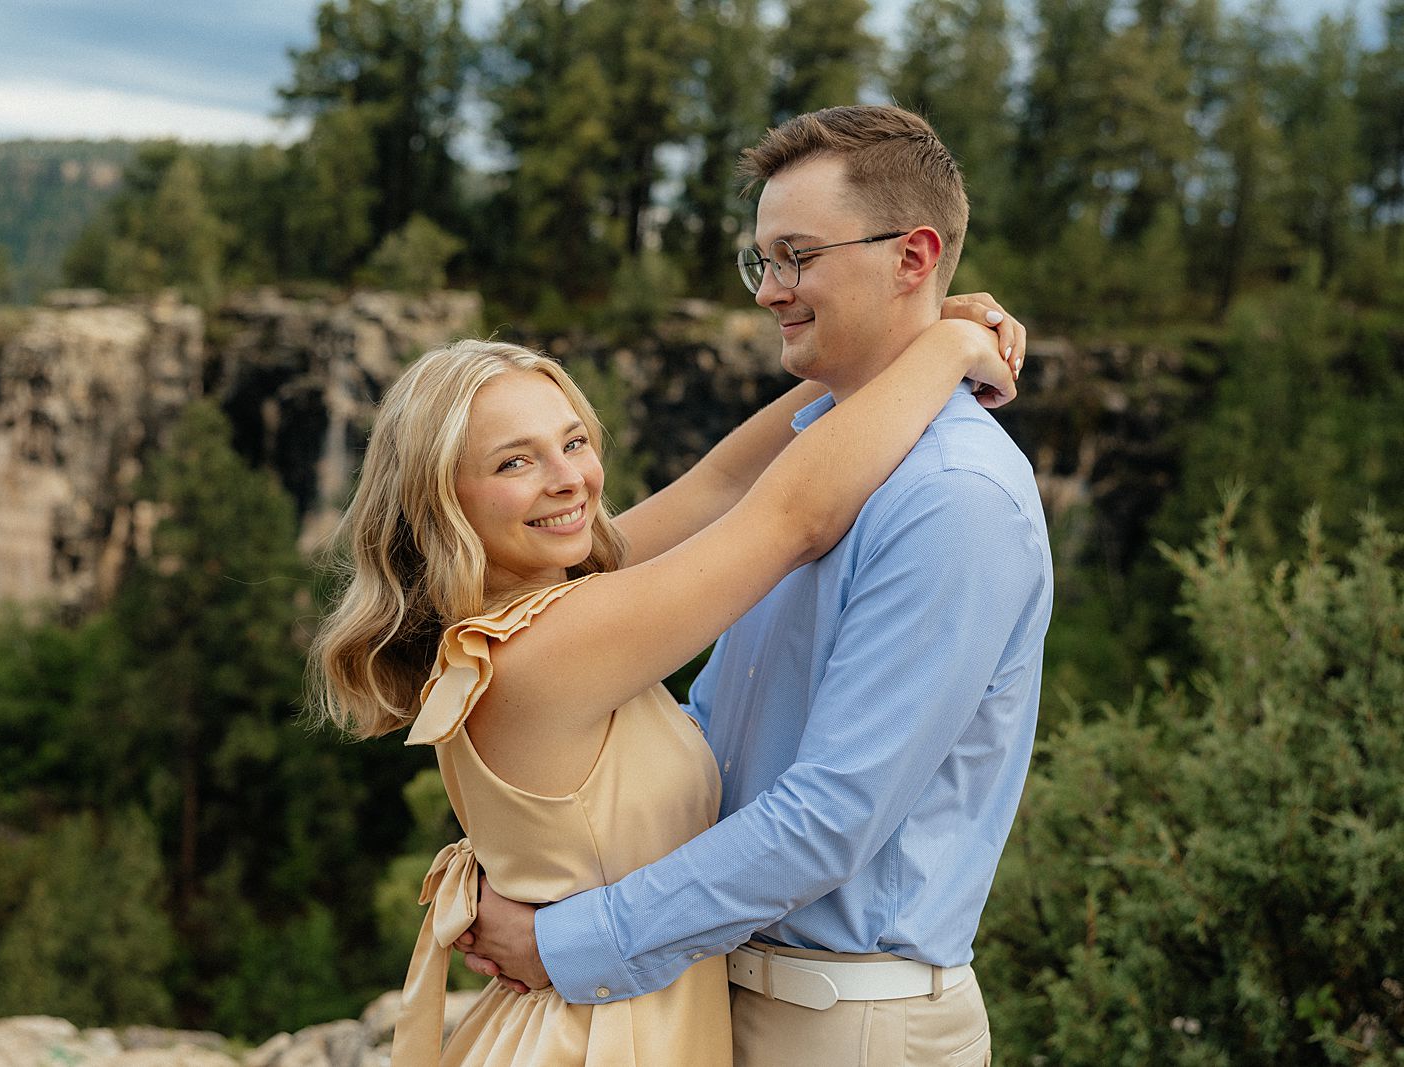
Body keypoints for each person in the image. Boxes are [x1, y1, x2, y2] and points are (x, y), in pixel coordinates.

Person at [457, 105, 1053, 1067]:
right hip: (727, 989)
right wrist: (938, 338)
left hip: (844, 1025)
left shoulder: (955, 499)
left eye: (796, 256)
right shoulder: (825, 452)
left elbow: (827, 820)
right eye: (762, 259)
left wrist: (571, 939)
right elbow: (726, 705)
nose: (769, 290)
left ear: (914, 255)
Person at [308, 295, 1021, 1059]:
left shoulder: (535, 600)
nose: (567, 480)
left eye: (574, 441)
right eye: (514, 460)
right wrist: (942, 353)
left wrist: (884, 349)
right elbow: (790, 516)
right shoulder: (552, 645)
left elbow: (720, 483)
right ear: (440, 499)